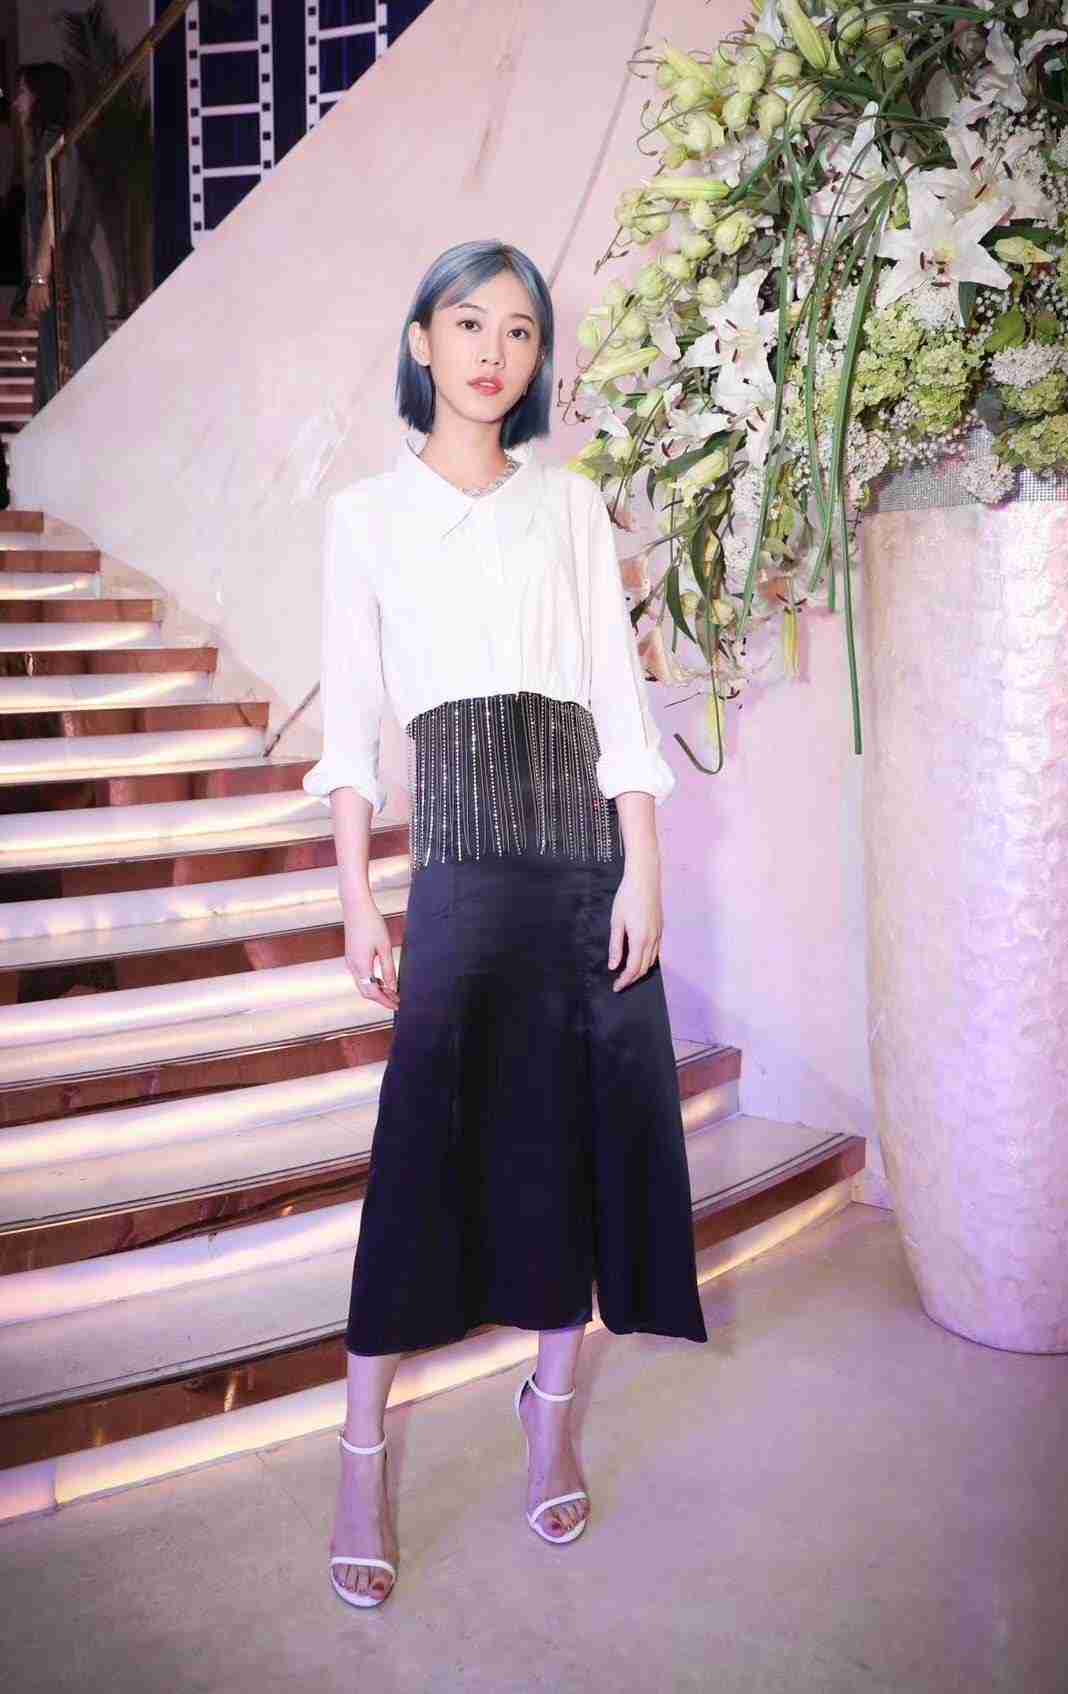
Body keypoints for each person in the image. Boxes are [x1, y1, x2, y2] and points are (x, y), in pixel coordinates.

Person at [302, 239, 708, 1610]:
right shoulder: (366, 515)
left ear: (537, 357)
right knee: (420, 1147)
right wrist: (357, 893)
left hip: (581, 855)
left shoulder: (570, 505)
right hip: (462, 861)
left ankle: (550, 1413)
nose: (494, 351)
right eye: (468, 323)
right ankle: (362, 1448)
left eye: (520, 330)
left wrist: (644, 870)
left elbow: (615, 698)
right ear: (422, 340)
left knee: (568, 1146)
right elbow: (353, 727)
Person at [12, 61, 108, 409]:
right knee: (60, 378)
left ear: (41, 97)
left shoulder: (57, 144)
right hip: (63, 272)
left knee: (71, 377)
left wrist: (40, 276)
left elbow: (58, 211)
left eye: (23, 92)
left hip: (67, 276)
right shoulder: (50, 145)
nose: (17, 102)